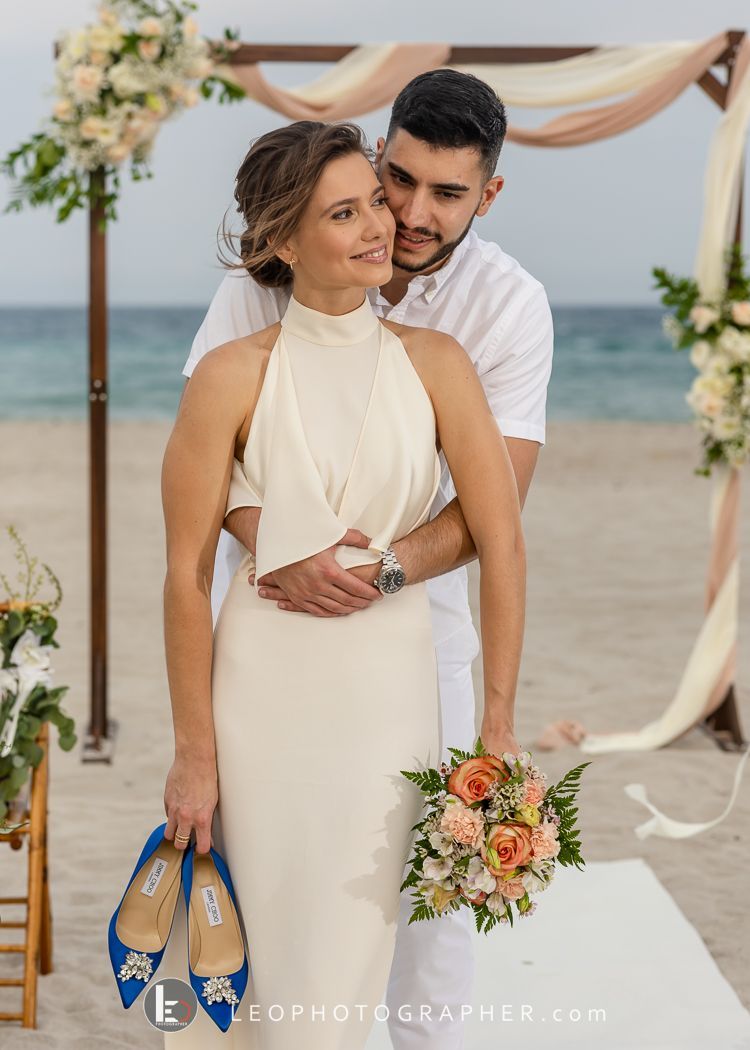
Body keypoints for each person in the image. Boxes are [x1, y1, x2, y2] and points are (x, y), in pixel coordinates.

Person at [181, 70, 553, 1049]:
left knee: (422, 916)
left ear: (489, 194)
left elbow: (493, 518)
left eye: (447, 195)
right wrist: (285, 554)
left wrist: (371, 577)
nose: (407, 215)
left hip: (413, 639)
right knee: (265, 894)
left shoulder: (498, 314)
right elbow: (206, 479)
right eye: (396, 182)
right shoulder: (256, 296)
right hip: (267, 634)